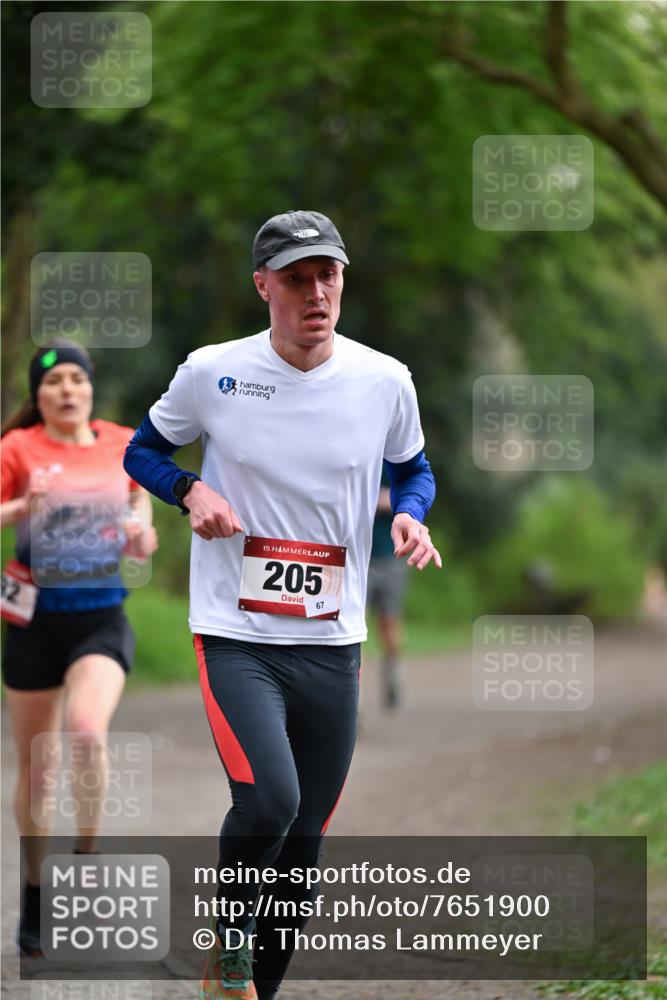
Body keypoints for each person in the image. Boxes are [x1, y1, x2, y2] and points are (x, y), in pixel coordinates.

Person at [124, 210, 440, 1000]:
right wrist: (190, 490)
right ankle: (228, 947)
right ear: (262, 285)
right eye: (295, 278)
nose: (314, 292)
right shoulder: (213, 372)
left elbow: (415, 469)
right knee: (271, 798)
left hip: (333, 641)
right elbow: (142, 450)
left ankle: (249, 991)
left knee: (305, 840)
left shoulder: (383, 380)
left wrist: (409, 513)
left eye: (326, 274)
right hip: (234, 631)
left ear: (342, 280)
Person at [1, 339, 157, 956]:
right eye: (54, 381)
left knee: (88, 732)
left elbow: (139, 499)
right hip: (33, 621)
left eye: (76, 378)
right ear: (38, 396)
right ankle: (36, 892)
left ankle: (86, 864)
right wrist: (20, 506)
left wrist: (142, 527)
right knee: (38, 769)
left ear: (90, 389)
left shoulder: (122, 442)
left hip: (100, 617)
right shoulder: (18, 447)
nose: (67, 388)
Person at [367, 473, 410, 709]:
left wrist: (388, 499)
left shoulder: (395, 461)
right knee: (355, 627)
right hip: (358, 560)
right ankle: (354, 698)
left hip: (392, 558)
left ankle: (392, 677)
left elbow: (416, 495)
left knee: (389, 628)